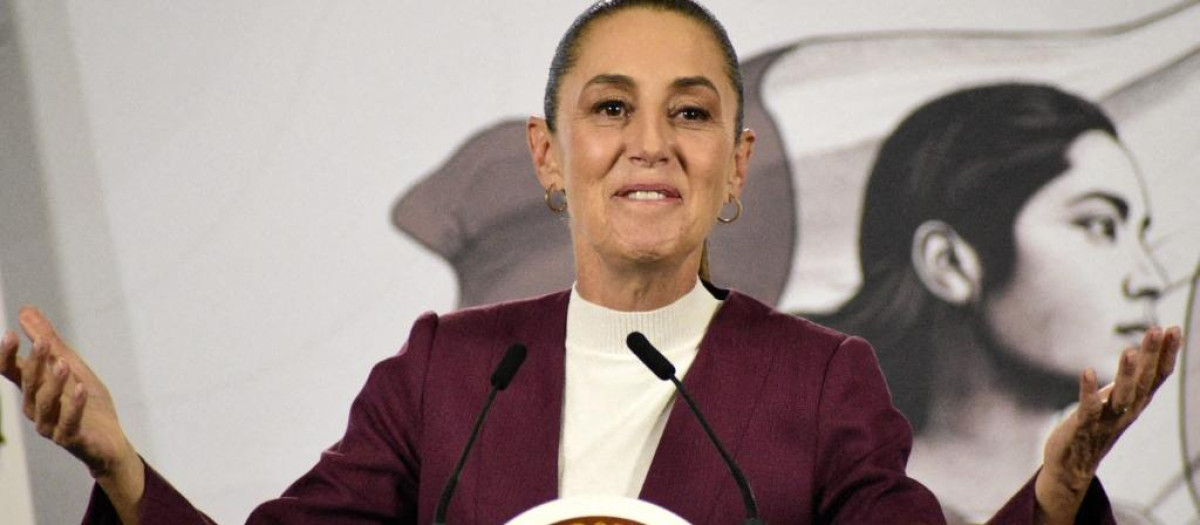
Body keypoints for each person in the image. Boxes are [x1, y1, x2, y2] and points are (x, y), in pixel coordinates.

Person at [0, 1, 1183, 523]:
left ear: (736, 162)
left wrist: (1060, 497)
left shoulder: (821, 384)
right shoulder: (447, 374)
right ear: (550, 156)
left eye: (692, 113)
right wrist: (118, 467)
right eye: (610, 108)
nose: (650, 144)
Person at [810, 83, 1171, 522]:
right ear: (949, 263)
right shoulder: (822, 505)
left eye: (1141, 235)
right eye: (1099, 225)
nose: (1151, 280)